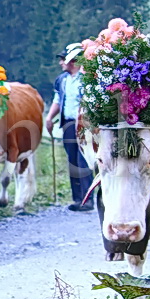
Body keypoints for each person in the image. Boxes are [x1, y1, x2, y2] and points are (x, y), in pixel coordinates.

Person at [43, 43, 94, 212]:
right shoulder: (62, 80)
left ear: (72, 60)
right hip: (68, 124)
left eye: (63, 59)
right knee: (72, 160)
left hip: (84, 124)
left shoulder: (86, 78)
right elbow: (58, 101)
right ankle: (77, 198)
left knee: (83, 160)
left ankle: (87, 199)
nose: (61, 63)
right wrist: (50, 118)